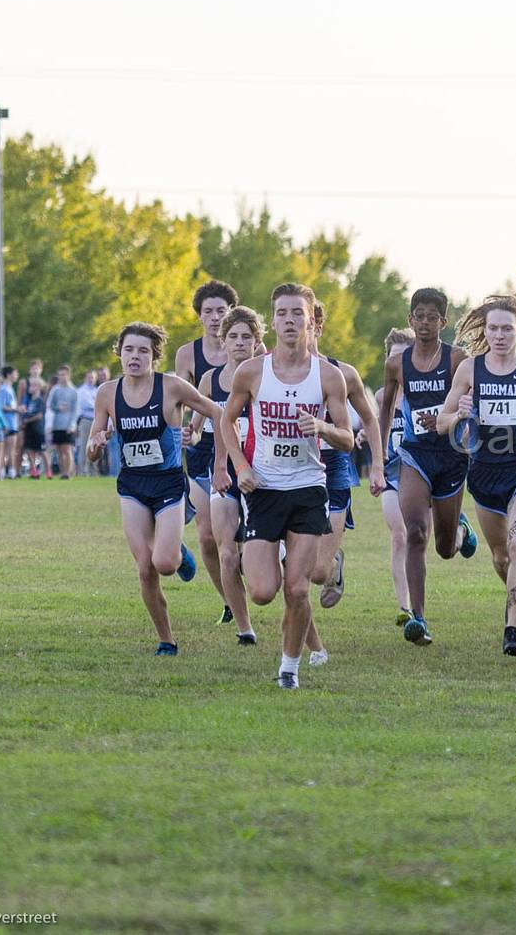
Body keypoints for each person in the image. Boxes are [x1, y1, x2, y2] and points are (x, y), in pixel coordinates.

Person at [217, 283, 355, 689]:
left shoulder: (328, 376)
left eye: (298, 313)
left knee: (297, 588)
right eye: (283, 313)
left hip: (309, 488)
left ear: (311, 320)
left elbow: (348, 438)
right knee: (262, 591)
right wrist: (240, 466)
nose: (290, 320)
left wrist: (323, 427)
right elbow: (226, 421)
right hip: (263, 488)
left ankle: (289, 669)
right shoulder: (252, 372)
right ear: (273, 320)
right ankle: (284, 569)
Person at [436, 294, 516, 657]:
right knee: (501, 557)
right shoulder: (469, 370)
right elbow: (442, 422)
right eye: (493, 328)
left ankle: (511, 630)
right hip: (483, 475)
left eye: (507, 329)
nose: (499, 335)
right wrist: (460, 414)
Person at [85, 322, 217, 654]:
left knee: (165, 564)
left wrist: (197, 434)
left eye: (143, 350)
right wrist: (97, 443)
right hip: (132, 486)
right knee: (145, 567)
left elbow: (215, 411)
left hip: (170, 484)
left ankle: (177, 553)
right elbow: (91, 447)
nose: (135, 356)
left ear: (154, 356)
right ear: (119, 353)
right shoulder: (107, 393)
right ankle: (166, 639)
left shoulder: (172, 387)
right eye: (129, 349)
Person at [376, 289, 479, 645]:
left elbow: (473, 401)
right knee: (416, 531)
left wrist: (458, 415)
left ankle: (462, 532)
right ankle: (418, 618)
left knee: (445, 548)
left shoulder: (456, 359)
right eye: (418, 316)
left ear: (443, 322)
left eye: (431, 317)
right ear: (410, 320)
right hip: (414, 455)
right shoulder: (396, 364)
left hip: (451, 457)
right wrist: (378, 458)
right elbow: (386, 410)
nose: (424, 323)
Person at [308, 301, 386, 614]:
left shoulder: (343, 373)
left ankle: (333, 560)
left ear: (318, 328)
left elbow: (370, 419)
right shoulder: (271, 370)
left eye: (309, 323)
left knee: (318, 573)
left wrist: (377, 466)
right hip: (289, 469)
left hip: (333, 468)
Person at [199, 306, 262, 645]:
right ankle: (244, 629)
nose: (239, 343)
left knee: (257, 561)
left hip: (263, 473)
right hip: (223, 470)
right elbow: (207, 425)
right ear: (222, 342)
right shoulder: (211, 380)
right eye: (233, 337)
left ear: (256, 343)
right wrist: (190, 435)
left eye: (246, 337)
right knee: (226, 552)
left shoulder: (266, 376)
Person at [373, 327, 418, 624]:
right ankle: (405, 608)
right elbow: (377, 425)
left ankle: (461, 530)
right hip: (391, 473)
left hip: (421, 474)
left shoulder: (423, 394)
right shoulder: (381, 396)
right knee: (399, 535)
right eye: (394, 358)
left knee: (431, 538)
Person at [17, 360, 49, 478]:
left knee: (38, 447)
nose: (35, 370)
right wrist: (20, 418)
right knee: (23, 446)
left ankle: (38, 470)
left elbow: (44, 402)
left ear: (41, 370)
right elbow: (19, 400)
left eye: (37, 368)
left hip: (38, 420)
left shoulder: (44, 385)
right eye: (33, 368)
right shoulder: (24, 382)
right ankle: (18, 470)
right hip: (25, 418)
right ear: (30, 369)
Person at [46, 365, 79, 479]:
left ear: (68, 375)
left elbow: (75, 410)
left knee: (67, 449)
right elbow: (50, 405)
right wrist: (58, 408)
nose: (61, 377)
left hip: (67, 425)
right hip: (57, 424)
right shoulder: (55, 390)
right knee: (59, 450)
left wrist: (72, 425)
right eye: (60, 375)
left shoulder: (73, 391)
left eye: (63, 374)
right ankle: (62, 472)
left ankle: (67, 473)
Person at [76, 369, 100, 476]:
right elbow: (89, 404)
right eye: (89, 377)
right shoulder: (82, 391)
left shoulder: (97, 390)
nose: (91, 380)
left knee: (95, 446)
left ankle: (93, 471)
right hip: (85, 420)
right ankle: (82, 471)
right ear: (86, 378)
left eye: (93, 378)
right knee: (84, 446)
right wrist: (98, 405)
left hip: (96, 420)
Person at [0, 366, 20, 477]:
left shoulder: (10, 388)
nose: (16, 375)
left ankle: (11, 471)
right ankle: (2, 471)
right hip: (7, 423)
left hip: (13, 423)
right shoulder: (3, 389)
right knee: (5, 449)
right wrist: (17, 409)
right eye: (15, 373)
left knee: (12, 449)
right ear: (8, 375)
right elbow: (2, 407)